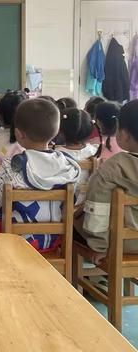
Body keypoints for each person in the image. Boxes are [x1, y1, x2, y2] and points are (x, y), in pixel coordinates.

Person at [0, 99, 80, 252]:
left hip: (17, 240)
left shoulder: (13, 165)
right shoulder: (69, 165)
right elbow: (75, 201)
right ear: (56, 131)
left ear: (18, 133)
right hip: (53, 239)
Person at [75, 100, 138, 263]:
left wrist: (99, 246)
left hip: (123, 243)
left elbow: (97, 206)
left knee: (70, 221)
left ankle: (80, 283)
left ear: (123, 134)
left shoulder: (114, 166)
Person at [56, 108, 98, 205]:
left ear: (60, 130)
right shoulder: (95, 151)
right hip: (86, 204)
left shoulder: (56, 154)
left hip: (62, 205)